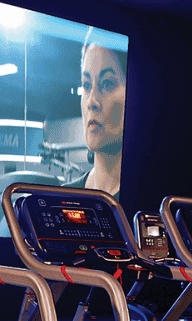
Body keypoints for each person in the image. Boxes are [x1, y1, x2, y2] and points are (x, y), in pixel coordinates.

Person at [64, 28, 127, 199]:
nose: (92, 101)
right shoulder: (61, 198)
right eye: (86, 85)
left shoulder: (153, 204)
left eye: (106, 83)